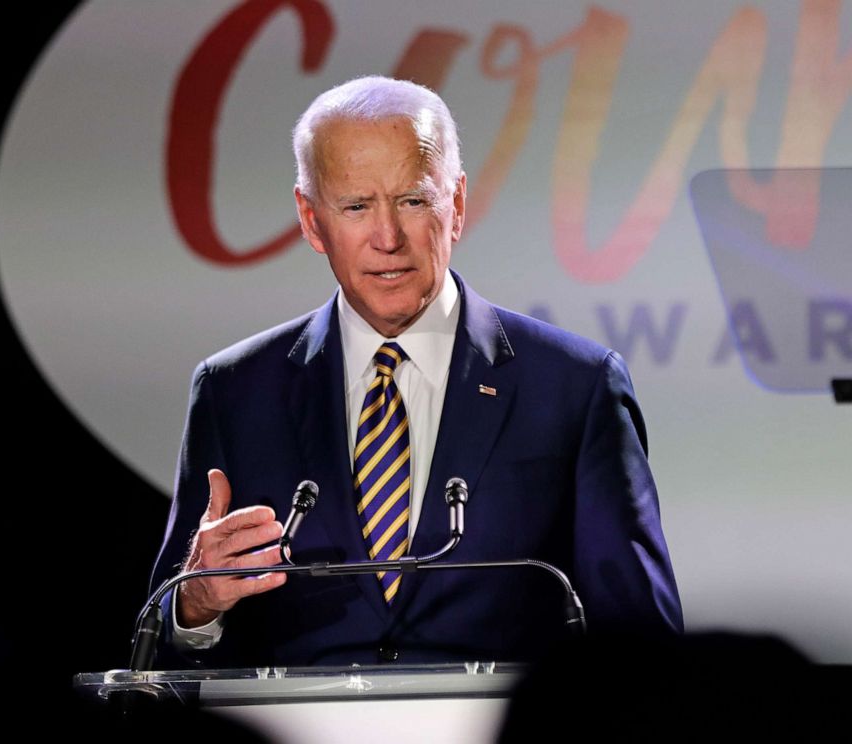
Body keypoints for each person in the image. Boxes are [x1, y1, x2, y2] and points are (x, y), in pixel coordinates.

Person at [150, 76, 682, 669]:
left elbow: (643, 642)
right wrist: (194, 605)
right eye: (356, 206)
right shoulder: (235, 393)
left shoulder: (574, 388)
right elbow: (159, 646)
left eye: (411, 200)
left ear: (454, 205)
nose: (387, 239)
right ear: (309, 219)